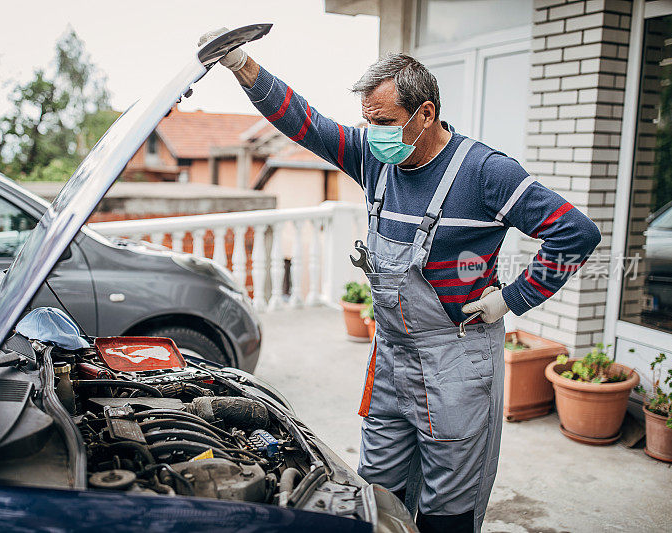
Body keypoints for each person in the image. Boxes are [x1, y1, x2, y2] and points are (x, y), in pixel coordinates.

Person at [199, 28, 601, 533]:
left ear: (426, 114)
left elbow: (576, 233)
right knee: (376, 495)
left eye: (385, 122)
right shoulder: (373, 156)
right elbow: (307, 124)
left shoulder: (485, 173)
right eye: (369, 122)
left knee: (445, 506)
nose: (374, 133)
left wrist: (511, 300)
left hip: (455, 362)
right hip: (391, 357)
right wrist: (242, 64)